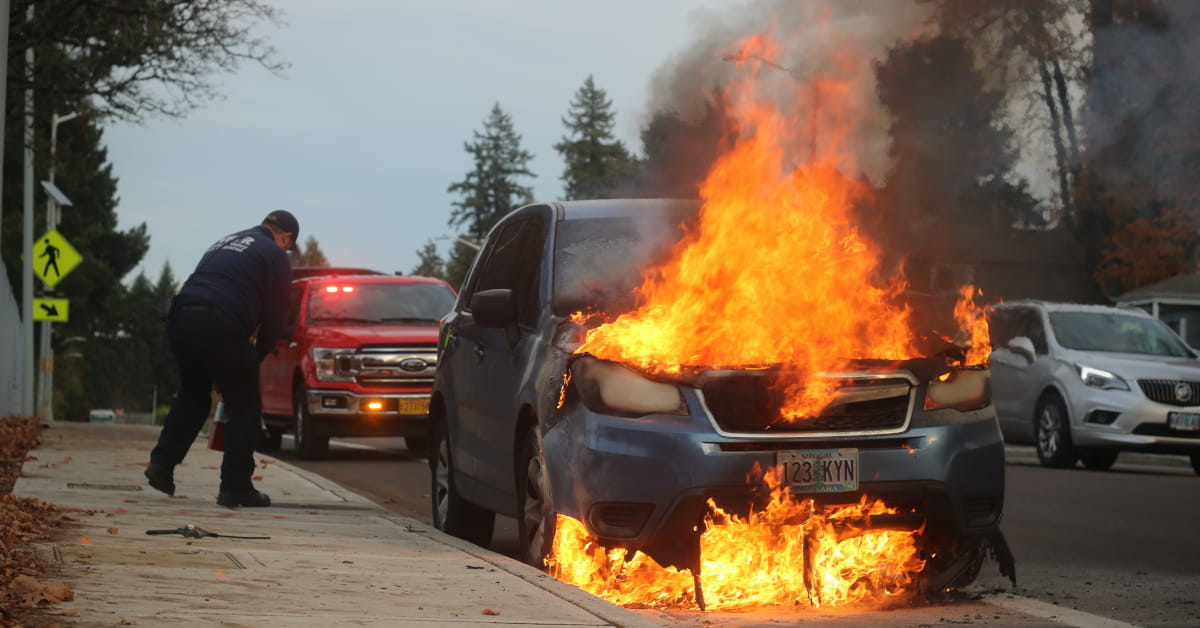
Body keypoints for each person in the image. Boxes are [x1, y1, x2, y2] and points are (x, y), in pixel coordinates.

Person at [145, 210, 299, 507]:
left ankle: (161, 466)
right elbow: (276, 316)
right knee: (244, 404)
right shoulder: (275, 254)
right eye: (289, 246)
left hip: (182, 318)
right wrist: (254, 357)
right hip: (221, 322)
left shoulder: (225, 241)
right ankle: (236, 486)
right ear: (287, 237)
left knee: (193, 395)